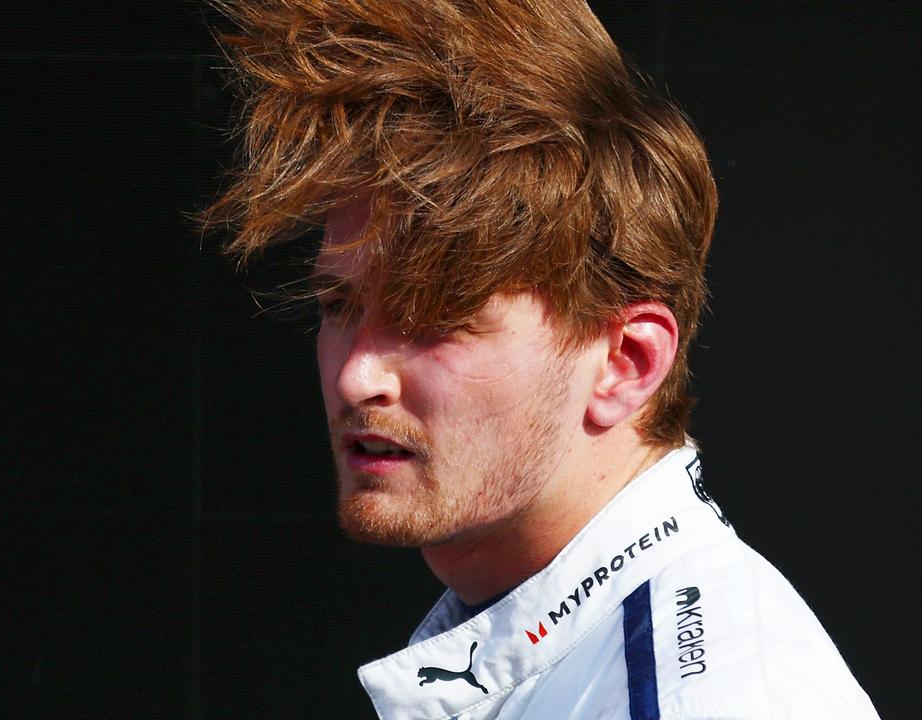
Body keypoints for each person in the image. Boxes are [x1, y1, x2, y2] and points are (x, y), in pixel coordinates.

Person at [206, 1, 881, 718]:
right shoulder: (567, 649)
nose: (355, 375)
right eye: (339, 307)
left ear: (626, 362)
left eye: (432, 316)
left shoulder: (711, 698)